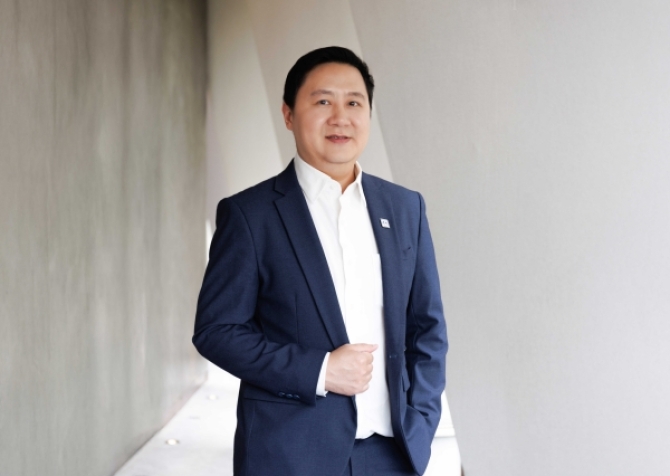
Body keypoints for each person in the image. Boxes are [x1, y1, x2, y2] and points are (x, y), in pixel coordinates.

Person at [193, 46, 447, 476]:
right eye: (323, 101)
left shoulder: (406, 208)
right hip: (289, 457)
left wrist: (420, 424)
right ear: (289, 114)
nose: (340, 117)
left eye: (354, 103)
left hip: (391, 456)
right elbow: (217, 331)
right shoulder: (251, 215)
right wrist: (320, 371)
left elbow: (428, 329)